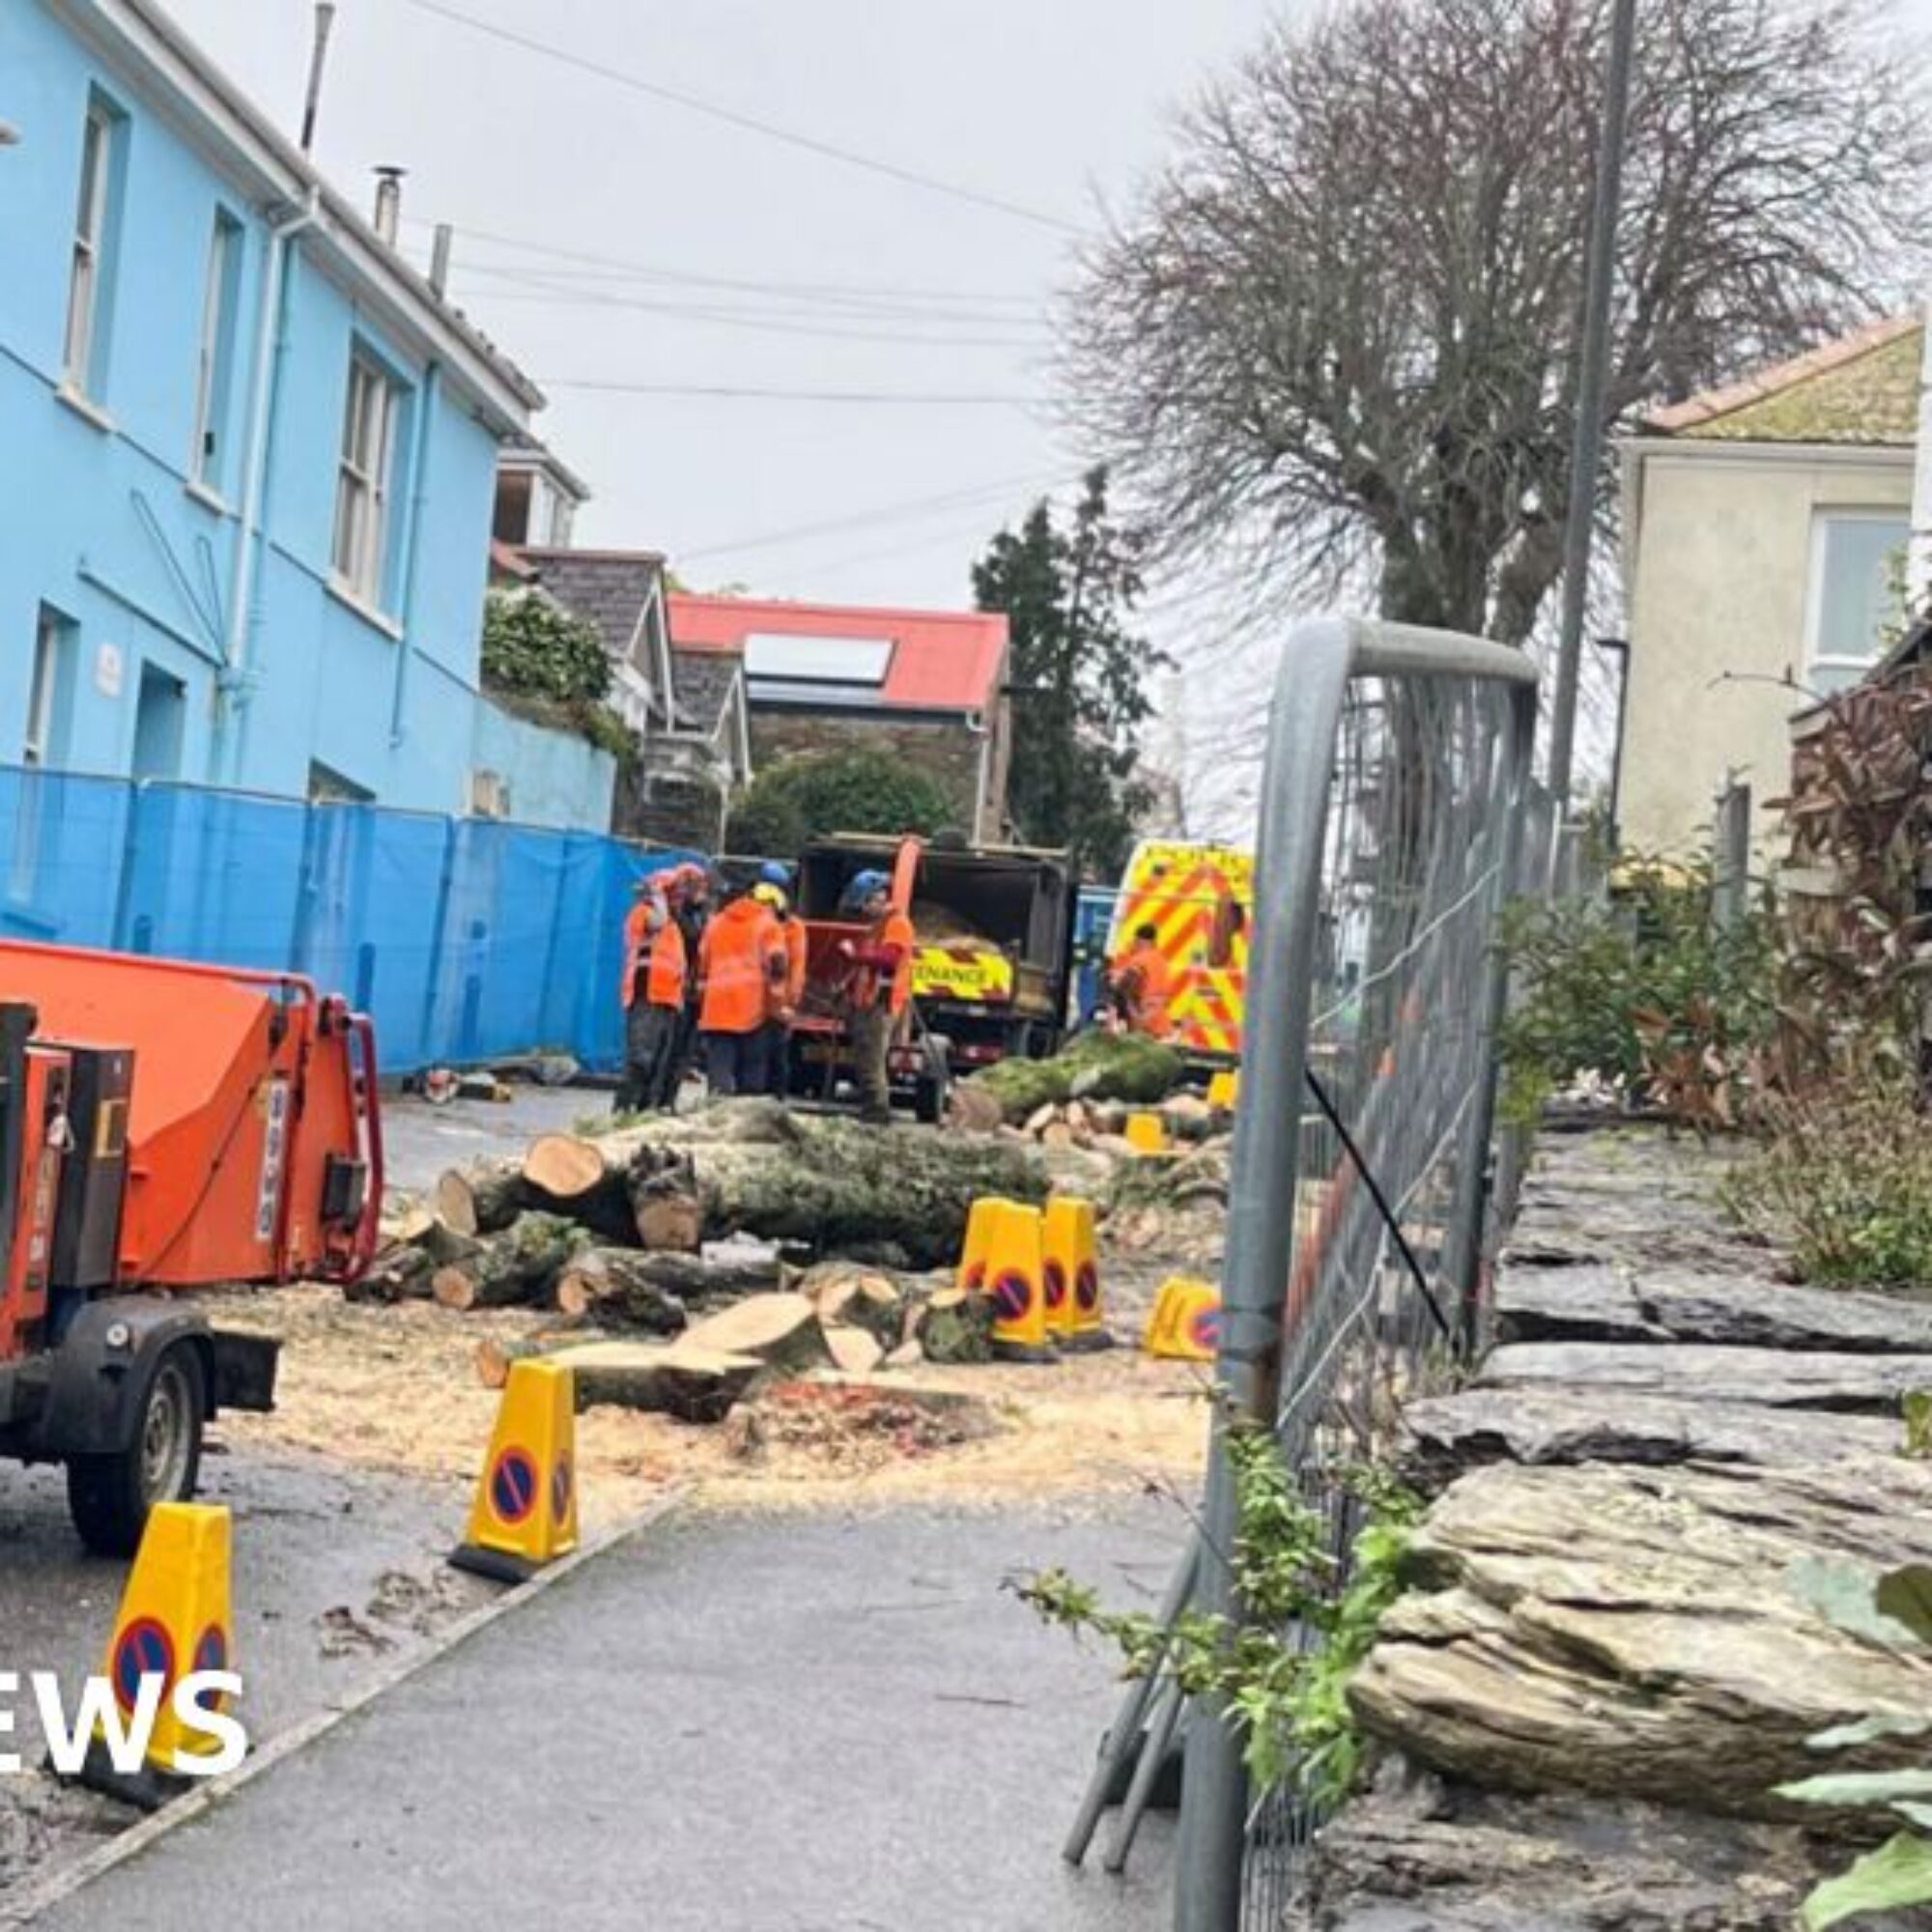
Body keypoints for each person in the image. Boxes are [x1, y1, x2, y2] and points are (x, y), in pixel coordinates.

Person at [695, 881, 788, 1098]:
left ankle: (717, 1117)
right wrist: (777, 1002)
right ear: (773, 905)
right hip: (752, 1009)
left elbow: (702, 962)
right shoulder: (769, 925)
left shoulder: (715, 923)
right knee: (751, 1076)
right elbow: (778, 963)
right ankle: (744, 1122)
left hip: (716, 1007)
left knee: (719, 1071)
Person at [838, 869, 914, 1124]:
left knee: (872, 1061)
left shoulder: (897, 924)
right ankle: (871, 1109)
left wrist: (854, 955)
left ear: (876, 899)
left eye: (865, 904)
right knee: (865, 1058)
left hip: (881, 1003)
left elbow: (889, 959)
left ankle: (877, 1113)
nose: (864, 911)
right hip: (868, 1002)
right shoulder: (878, 926)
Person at [614, 869, 686, 1114]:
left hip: (666, 1000)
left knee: (657, 1062)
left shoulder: (672, 926)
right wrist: (657, 897)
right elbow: (655, 922)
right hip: (646, 995)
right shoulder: (643, 914)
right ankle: (623, 1108)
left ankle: (644, 1109)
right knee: (641, 1058)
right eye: (673, 893)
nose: (679, 898)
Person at [752, 867, 807, 1099]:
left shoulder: (792, 928)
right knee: (757, 1056)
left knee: (775, 1056)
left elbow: (795, 968)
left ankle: (775, 1099)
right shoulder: (755, 923)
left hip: (775, 1003)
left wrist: (789, 1003)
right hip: (755, 1002)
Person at [1110, 923, 1174, 1039]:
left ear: (1139, 941)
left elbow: (1126, 988)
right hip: (1159, 1018)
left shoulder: (1138, 961)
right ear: (1153, 941)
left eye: (1135, 942)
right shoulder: (1161, 960)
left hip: (1142, 1018)